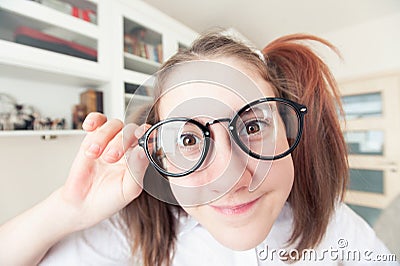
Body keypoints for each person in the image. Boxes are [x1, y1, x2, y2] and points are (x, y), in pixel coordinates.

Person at [0, 31, 398, 266]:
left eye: (254, 125)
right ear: (162, 153)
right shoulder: (143, 228)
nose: (229, 179)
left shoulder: (334, 224)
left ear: (289, 127)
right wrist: (66, 210)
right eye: (189, 139)